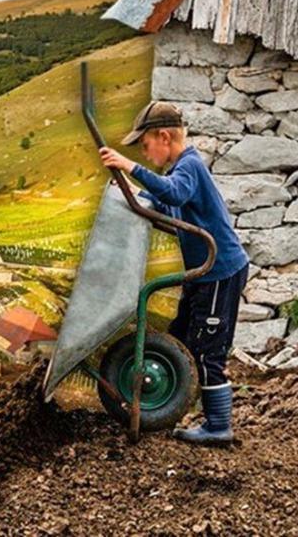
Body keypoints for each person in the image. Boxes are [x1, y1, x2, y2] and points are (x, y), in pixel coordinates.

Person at [99, 100, 250, 447]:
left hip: (219, 271)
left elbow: (176, 192)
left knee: (209, 349)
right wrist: (134, 195)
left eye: (144, 144)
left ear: (164, 136)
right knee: (180, 336)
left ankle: (219, 425)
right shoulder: (180, 171)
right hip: (203, 273)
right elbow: (169, 204)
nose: (143, 150)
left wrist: (129, 167)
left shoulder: (190, 166)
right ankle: (171, 402)